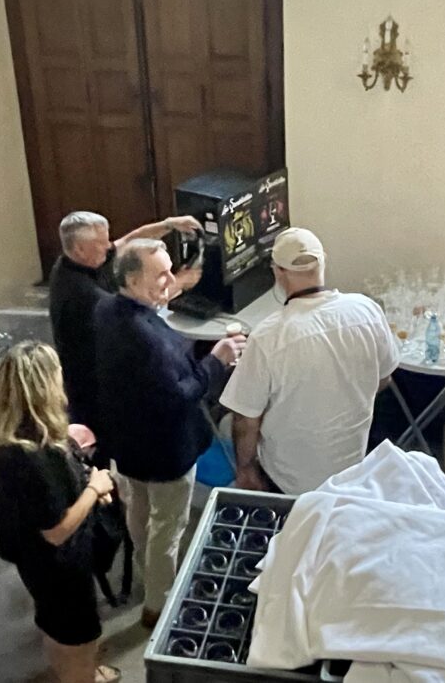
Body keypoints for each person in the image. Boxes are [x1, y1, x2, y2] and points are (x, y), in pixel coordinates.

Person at [93, 239, 245, 628]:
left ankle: (148, 575)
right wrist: (217, 360)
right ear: (132, 280)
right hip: (166, 448)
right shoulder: (145, 337)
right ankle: (159, 605)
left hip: (129, 440)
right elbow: (179, 395)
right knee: (168, 526)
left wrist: (170, 290)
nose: (170, 281)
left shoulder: (107, 309)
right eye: (160, 275)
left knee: (139, 508)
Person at [221, 228, 399, 495]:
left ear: (278, 273)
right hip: (351, 469)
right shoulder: (367, 310)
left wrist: (245, 470)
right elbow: (384, 379)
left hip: (288, 481)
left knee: (226, 424)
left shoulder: (268, 336)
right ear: (323, 261)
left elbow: (246, 420)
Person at [0, 341, 119, 683]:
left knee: (54, 626)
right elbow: (56, 531)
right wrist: (94, 488)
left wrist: (83, 483)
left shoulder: (9, 440)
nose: (62, 378)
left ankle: (76, 672)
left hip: (35, 564)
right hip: (60, 569)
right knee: (80, 638)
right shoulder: (35, 456)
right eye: (56, 373)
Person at [49, 211, 202, 425]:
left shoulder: (85, 258)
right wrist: (181, 281)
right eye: (101, 243)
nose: (108, 246)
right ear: (79, 249)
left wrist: (169, 225)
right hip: (94, 391)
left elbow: (127, 243)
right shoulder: (80, 292)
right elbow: (136, 304)